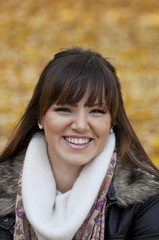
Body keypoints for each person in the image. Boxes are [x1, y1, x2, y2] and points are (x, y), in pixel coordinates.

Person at [0, 47, 159, 240]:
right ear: (40, 116)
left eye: (97, 111)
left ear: (112, 120)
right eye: (65, 110)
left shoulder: (147, 200)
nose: (81, 125)